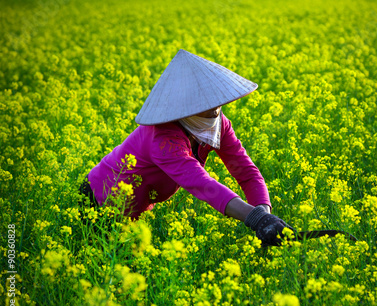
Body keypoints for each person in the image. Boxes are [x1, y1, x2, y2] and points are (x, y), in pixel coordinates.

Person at [79, 49, 294, 246]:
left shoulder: (218, 125)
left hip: (134, 211)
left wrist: (266, 215)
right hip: (100, 204)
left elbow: (246, 172)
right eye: (203, 102)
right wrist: (256, 218)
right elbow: (202, 184)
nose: (214, 108)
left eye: (216, 98)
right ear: (183, 104)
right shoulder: (163, 136)